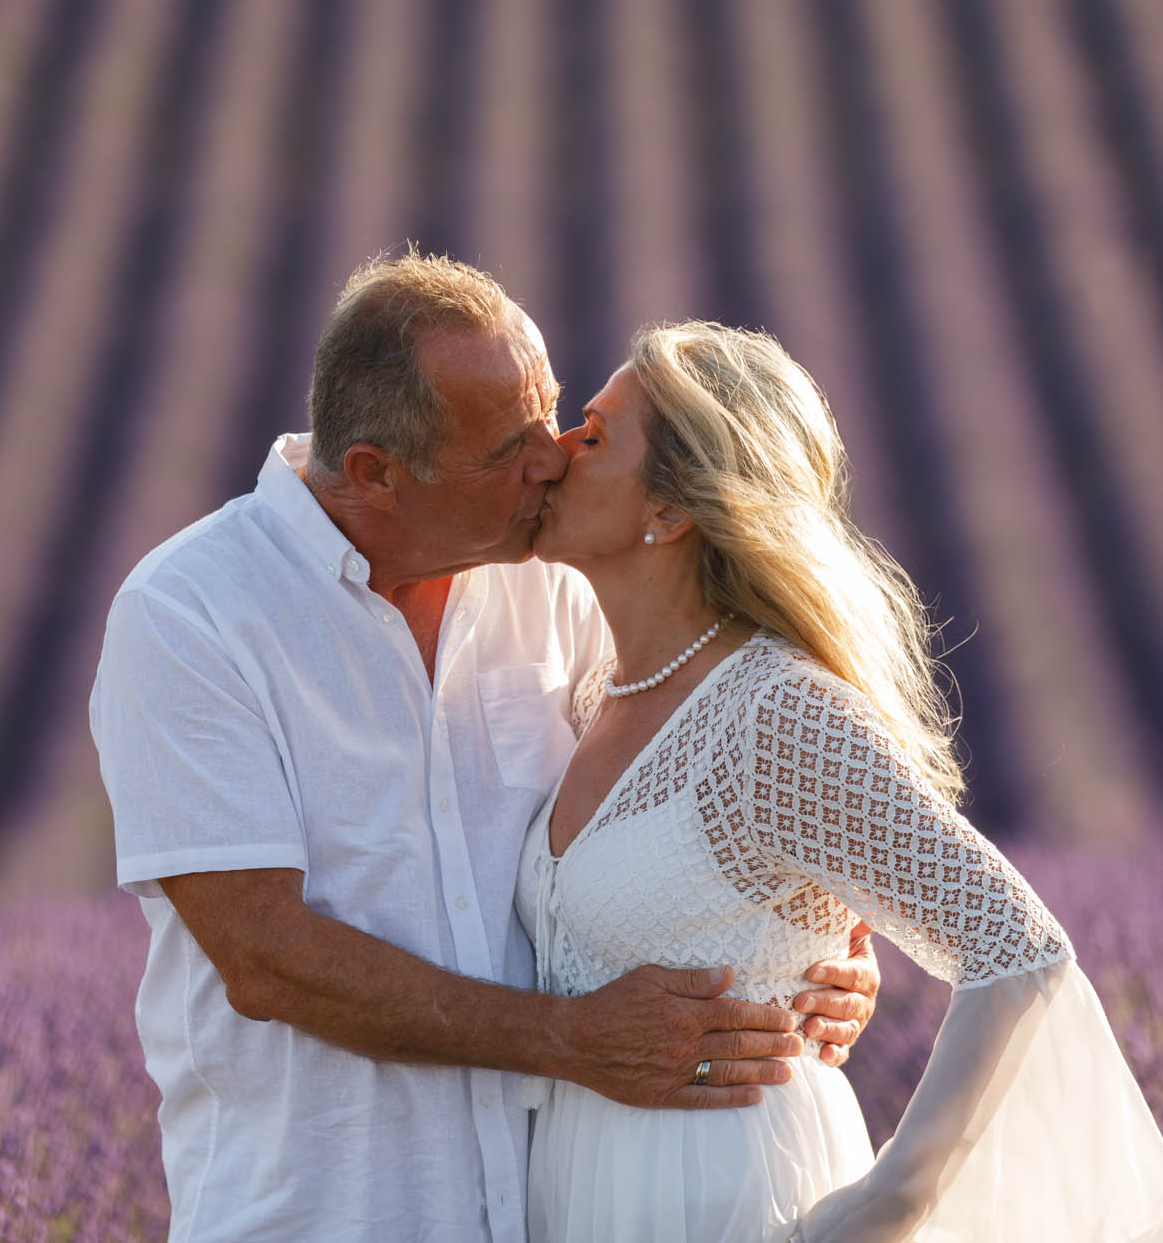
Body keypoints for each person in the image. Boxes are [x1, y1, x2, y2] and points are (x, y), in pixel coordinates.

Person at [88, 253, 881, 1242]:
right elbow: (265, 956)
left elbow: (683, 803)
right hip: (321, 1213)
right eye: (508, 448)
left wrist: (814, 946)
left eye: (550, 413)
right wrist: (570, 1041)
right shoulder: (191, 615)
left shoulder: (561, 583)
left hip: (554, 1209)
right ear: (376, 473)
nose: (553, 458)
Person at [519, 321, 1163, 1241]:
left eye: (594, 434)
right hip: (577, 1198)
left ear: (670, 511)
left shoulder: (776, 713)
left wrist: (889, 1207)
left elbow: (1016, 946)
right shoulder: (589, 691)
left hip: (727, 1201)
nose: (556, 450)